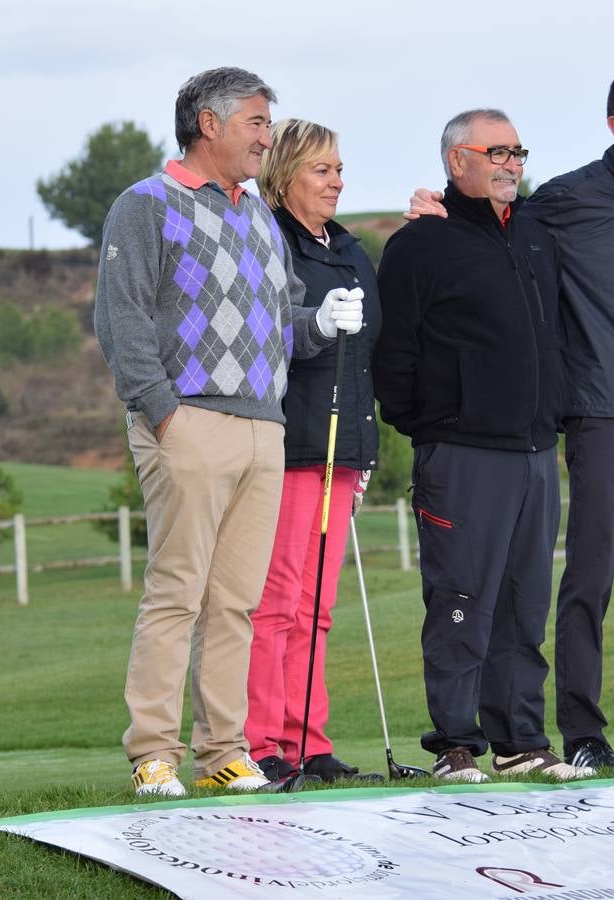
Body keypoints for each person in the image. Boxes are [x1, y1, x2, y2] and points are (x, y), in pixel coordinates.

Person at [407, 70, 614, 776]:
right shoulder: (566, 199)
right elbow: (496, 218)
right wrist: (438, 211)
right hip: (602, 418)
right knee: (586, 586)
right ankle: (584, 734)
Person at [94, 67, 364, 798]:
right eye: (254, 123)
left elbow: (285, 326)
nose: (265, 138)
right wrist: (164, 413)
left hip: (262, 427)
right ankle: (154, 752)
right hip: (188, 419)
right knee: (177, 591)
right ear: (208, 125)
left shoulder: (258, 219)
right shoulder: (146, 205)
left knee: (236, 601)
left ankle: (223, 753)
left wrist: (321, 321)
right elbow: (120, 320)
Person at [374, 109, 592, 784]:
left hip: (533, 452)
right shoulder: (420, 245)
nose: (511, 163)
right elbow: (394, 354)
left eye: (518, 151)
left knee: (525, 602)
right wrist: (431, 423)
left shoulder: (533, 234)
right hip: (461, 451)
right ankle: (454, 744)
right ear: (455, 161)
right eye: (496, 151)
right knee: (462, 598)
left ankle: (521, 739)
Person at [245, 119, 383, 784]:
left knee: (318, 608)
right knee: (278, 601)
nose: (337, 181)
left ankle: (309, 740)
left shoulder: (351, 250)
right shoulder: (269, 241)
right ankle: (262, 743)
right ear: (285, 174)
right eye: (322, 170)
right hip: (295, 443)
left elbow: (370, 351)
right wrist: (320, 326)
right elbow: (273, 334)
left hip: (342, 450)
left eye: (338, 169)